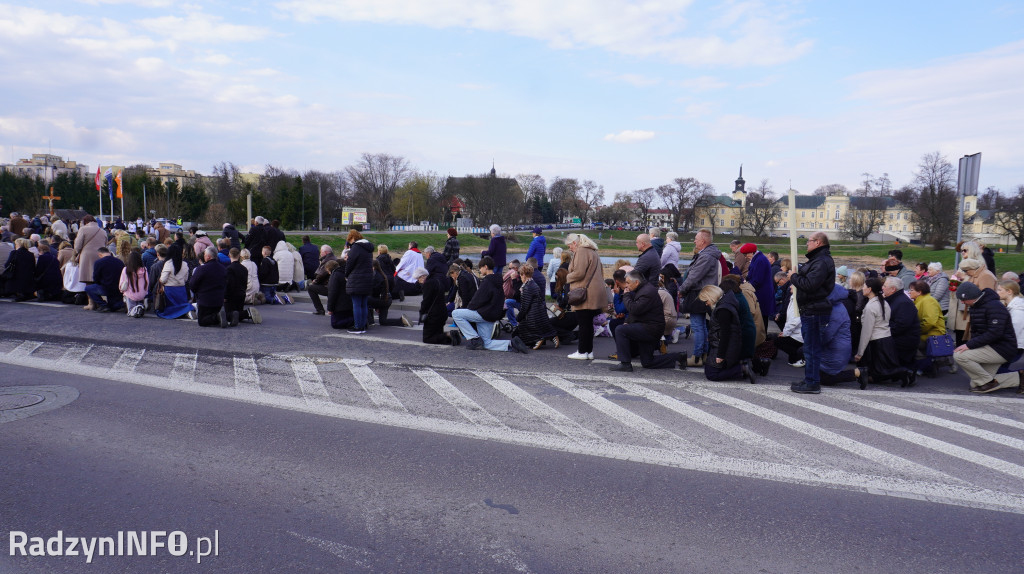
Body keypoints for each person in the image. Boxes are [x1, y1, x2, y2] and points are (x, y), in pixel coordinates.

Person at [787, 231, 836, 394]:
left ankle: (812, 382)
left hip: (815, 310)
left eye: (809, 241)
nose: (807, 243)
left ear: (818, 243)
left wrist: (793, 277)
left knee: (812, 349)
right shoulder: (818, 260)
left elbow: (809, 284)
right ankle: (810, 379)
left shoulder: (821, 261)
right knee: (810, 348)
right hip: (812, 308)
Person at [607, 270, 685, 372]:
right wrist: (627, 321)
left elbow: (634, 309)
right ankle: (679, 357)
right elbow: (635, 312)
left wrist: (625, 295)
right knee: (648, 362)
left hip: (651, 329)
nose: (626, 286)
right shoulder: (641, 289)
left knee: (620, 330)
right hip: (649, 327)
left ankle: (625, 363)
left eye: (628, 283)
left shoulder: (646, 292)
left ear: (636, 283)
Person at [952, 282, 1020, 393]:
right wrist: (972, 346)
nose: (962, 302)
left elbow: (995, 333)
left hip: (1001, 349)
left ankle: (989, 382)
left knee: (959, 356)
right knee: (976, 383)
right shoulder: (976, 305)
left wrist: (969, 345)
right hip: (991, 346)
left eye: (963, 300)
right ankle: (1019, 377)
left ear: (972, 297)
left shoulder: (994, 307)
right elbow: (976, 331)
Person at [452, 256, 529, 353]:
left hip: (483, 314)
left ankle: (474, 339)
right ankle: (511, 343)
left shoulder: (487, 281)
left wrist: (469, 308)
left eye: (480, 268)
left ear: (485, 266)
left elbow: (478, 299)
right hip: (492, 315)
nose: (480, 270)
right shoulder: (498, 280)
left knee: (456, 314)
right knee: (486, 343)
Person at [677, 229, 723, 367]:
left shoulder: (706, 256)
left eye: (696, 239)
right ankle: (703, 354)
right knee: (702, 326)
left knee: (698, 327)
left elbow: (694, 277)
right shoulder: (709, 254)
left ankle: (697, 357)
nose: (694, 241)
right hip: (704, 293)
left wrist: (682, 290)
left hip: (699, 294)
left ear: (703, 241)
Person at [698, 285, 756, 383]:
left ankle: (741, 369)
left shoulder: (723, 309)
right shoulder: (726, 303)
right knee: (710, 369)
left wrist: (720, 355)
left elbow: (725, 333)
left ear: (711, 297)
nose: (706, 304)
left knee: (712, 374)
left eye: (706, 301)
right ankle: (742, 368)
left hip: (725, 346)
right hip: (727, 344)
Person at [854, 277, 906, 387]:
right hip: (887, 338)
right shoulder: (884, 303)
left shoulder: (870, 307)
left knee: (881, 370)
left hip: (877, 342)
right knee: (887, 367)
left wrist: (860, 352)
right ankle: (904, 373)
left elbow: (866, 331)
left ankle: (904, 373)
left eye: (864, 287)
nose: (862, 289)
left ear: (869, 289)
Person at [564, 233, 608, 360]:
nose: (570, 249)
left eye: (569, 246)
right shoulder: (592, 251)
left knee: (583, 323)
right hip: (594, 292)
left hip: (586, 293)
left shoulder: (581, 251)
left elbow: (579, 273)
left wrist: (566, 277)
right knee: (588, 324)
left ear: (574, 243)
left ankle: (582, 352)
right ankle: (588, 351)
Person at [516, 263, 558, 350]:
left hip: (532, 315)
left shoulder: (526, 287)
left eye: (520, 274)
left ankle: (538, 339)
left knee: (520, 330)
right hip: (539, 312)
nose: (520, 277)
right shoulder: (533, 283)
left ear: (524, 275)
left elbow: (524, 306)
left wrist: (518, 318)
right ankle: (551, 336)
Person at [882, 277, 921, 371]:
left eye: (884, 286)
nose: (882, 288)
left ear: (893, 289)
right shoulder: (895, 299)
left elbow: (901, 326)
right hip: (900, 337)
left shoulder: (903, 303)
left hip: (904, 340)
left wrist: (883, 329)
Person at [416, 267, 459, 345]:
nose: (418, 281)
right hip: (442, 312)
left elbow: (426, 301)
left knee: (427, 338)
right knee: (437, 335)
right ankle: (452, 337)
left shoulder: (428, 284)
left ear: (422, 276)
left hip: (433, 315)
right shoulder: (437, 280)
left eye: (417, 279)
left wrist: (421, 313)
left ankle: (449, 334)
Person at [189, 246, 229, 327]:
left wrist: (197, 293)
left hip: (205, 300)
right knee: (214, 313)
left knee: (202, 321)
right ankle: (230, 316)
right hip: (218, 300)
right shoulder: (223, 268)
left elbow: (192, 284)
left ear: (208, 256)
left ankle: (217, 317)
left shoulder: (201, 269)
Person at [345, 229, 374, 334]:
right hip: (367, 279)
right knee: (363, 304)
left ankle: (358, 327)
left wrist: (346, 274)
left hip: (357, 279)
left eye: (350, 240)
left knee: (356, 304)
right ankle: (363, 326)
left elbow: (350, 264)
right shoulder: (368, 248)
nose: (350, 243)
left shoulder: (356, 248)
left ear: (353, 238)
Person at [225, 248, 261, 325]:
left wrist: (225, 296)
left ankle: (246, 313)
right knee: (237, 312)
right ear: (239, 256)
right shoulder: (244, 269)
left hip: (231, 296)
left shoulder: (229, 269)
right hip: (241, 295)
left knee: (228, 315)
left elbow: (228, 285)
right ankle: (247, 313)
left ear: (229, 255)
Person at [368, 260, 409, 327]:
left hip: (382, 300)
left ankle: (370, 321)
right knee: (383, 321)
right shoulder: (382, 274)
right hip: (387, 299)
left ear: (373, 267)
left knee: (365, 300)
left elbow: (375, 292)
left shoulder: (375, 276)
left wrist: (376, 305)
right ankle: (401, 321)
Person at [743, 243, 775, 326]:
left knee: (762, 318)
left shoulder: (760, 260)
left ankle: (762, 337)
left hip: (762, 293)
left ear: (751, 252)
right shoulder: (758, 258)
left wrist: (746, 288)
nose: (745, 257)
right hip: (760, 291)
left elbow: (757, 279)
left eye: (745, 254)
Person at [158, 244, 193, 319]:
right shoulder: (184, 264)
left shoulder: (168, 264)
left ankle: (188, 308)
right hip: (181, 289)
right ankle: (187, 309)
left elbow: (163, 279)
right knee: (181, 305)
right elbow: (186, 278)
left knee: (171, 308)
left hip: (170, 289)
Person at [85, 247, 126, 312]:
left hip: (106, 287)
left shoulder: (98, 262)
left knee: (88, 288)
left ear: (100, 254)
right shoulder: (119, 262)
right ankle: (119, 305)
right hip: (118, 288)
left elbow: (96, 277)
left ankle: (103, 305)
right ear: (109, 253)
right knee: (114, 305)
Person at [73, 215, 107, 285]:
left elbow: (78, 246)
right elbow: (105, 245)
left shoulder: (83, 229)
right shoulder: (103, 231)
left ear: (84, 222)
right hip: (100, 256)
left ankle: (90, 295)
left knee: (88, 281)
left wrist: (77, 252)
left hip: (86, 257)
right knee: (98, 280)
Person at [119, 250, 149, 317]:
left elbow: (122, 283)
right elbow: (147, 281)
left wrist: (122, 291)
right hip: (142, 294)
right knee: (137, 303)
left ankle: (136, 309)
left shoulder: (126, 269)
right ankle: (140, 306)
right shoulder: (144, 269)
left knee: (130, 312)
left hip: (130, 294)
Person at [307, 245, 336, 315]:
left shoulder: (327, 260)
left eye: (321, 252)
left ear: (325, 252)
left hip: (328, 286)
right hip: (333, 285)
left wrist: (315, 282)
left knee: (310, 288)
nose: (320, 253)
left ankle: (320, 309)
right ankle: (332, 309)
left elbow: (322, 274)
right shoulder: (334, 258)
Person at [326, 259, 354, 330]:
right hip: (349, 303)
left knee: (335, 324)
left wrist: (330, 308)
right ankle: (357, 320)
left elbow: (332, 292)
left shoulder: (335, 275)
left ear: (329, 269)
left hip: (339, 305)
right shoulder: (345, 272)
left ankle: (355, 320)